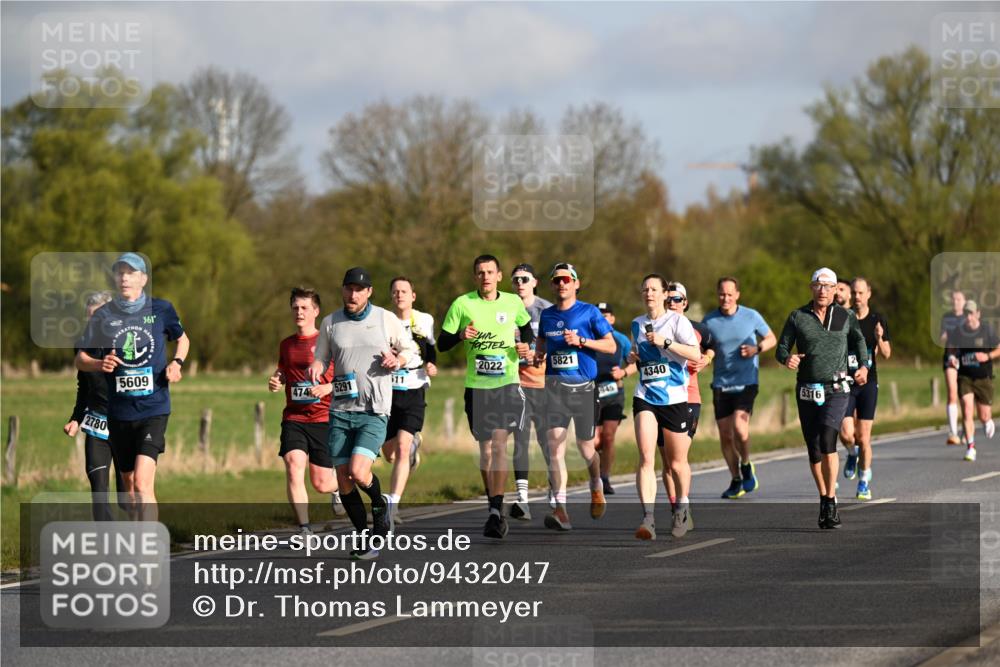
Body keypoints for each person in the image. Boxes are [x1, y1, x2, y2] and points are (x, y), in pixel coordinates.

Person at [309, 267, 417, 559]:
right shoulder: (331, 323)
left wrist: (398, 359)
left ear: (369, 292)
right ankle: (364, 537)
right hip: (341, 410)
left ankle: (380, 502)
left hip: (374, 408)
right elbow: (322, 356)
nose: (352, 294)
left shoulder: (385, 319)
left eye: (359, 289)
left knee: (358, 472)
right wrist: (317, 367)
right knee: (343, 480)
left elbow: (410, 349)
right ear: (342, 290)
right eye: (348, 288)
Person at [76, 253, 190, 521]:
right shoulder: (103, 314)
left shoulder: (161, 309)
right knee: (128, 490)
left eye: (131, 272)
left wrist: (177, 363)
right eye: (120, 273)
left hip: (154, 407)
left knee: (142, 483)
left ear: (143, 279)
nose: (124, 277)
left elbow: (183, 340)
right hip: (119, 413)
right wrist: (99, 364)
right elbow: (80, 359)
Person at [438, 255, 533, 539]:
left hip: (506, 383)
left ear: (499, 276)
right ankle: (494, 504)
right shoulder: (462, 304)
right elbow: (442, 343)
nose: (486, 277)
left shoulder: (512, 302)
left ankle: (495, 509)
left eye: (490, 272)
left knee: (500, 445)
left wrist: (524, 346)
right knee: (486, 449)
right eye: (480, 273)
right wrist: (460, 336)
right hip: (477, 386)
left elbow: (526, 328)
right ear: (474, 277)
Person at [775, 268, 869, 530]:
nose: (823, 290)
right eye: (819, 285)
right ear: (811, 288)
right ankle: (825, 497)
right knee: (814, 448)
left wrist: (863, 366)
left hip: (837, 388)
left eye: (829, 286)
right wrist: (787, 358)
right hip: (807, 389)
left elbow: (860, 342)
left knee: (829, 438)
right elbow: (781, 348)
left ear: (836, 289)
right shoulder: (798, 317)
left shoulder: (845, 316)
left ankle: (831, 502)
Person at [535, 263, 616, 531]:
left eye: (567, 280)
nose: (562, 284)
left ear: (576, 284)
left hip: (583, 389)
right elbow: (542, 342)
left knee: (585, 448)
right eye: (557, 280)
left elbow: (611, 344)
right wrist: (538, 354)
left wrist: (582, 342)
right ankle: (561, 510)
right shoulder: (546, 316)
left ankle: (596, 484)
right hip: (555, 389)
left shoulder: (589, 312)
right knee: (555, 448)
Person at [630, 274, 702, 540]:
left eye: (654, 289)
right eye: (645, 289)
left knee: (676, 463)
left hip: (674, 398)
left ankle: (682, 508)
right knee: (647, 457)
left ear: (663, 294)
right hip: (645, 395)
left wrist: (666, 342)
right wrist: (633, 357)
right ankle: (648, 518)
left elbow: (696, 354)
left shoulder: (677, 321)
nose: (649, 293)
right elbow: (640, 358)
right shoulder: (636, 323)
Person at [268, 287, 342, 535]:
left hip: (323, 418)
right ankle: (305, 530)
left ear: (316, 311)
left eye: (304, 308)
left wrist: (326, 387)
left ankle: (339, 487)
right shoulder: (286, 344)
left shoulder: (328, 342)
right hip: (294, 417)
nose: (299, 312)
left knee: (321, 483)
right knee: (293, 463)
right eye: (295, 308)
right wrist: (277, 379)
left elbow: (346, 378)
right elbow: (283, 370)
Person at [702, 276, 776, 499]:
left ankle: (746, 464)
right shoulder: (709, 321)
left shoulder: (751, 315)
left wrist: (757, 349)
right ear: (717, 295)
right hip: (721, 384)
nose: (725, 298)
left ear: (737, 295)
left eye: (730, 294)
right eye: (722, 294)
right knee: (725, 436)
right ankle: (736, 479)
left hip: (746, 382)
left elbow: (771, 338)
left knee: (740, 429)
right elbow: (703, 347)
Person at [64, 291, 125, 521]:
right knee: (99, 492)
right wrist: (76, 419)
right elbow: (84, 387)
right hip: (97, 424)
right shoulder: (82, 348)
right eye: (89, 317)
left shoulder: (126, 342)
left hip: (124, 424)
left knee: (126, 499)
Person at [381, 276, 437, 524]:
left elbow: (430, 348)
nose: (399, 295)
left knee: (402, 447)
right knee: (389, 454)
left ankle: (392, 505)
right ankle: (414, 449)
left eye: (404, 291)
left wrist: (432, 364)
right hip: (388, 392)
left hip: (414, 388)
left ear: (413, 295)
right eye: (395, 292)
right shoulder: (383, 321)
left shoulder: (424, 320)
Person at [658, 282, 714, 511]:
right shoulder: (655, 327)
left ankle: (683, 505)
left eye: (677, 299)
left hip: (689, 397)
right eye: (669, 299)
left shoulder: (699, 328)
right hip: (659, 397)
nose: (673, 303)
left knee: (677, 459)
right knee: (666, 462)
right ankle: (675, 506)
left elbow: (712, 345)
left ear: (685, 303)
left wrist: (707, 358)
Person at [508, 264, 553, 521]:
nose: (520, 283)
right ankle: (522, 500)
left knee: (548, 442)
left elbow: (556, 343)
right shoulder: (506, 309)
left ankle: (553, 491)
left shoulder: (546, 310)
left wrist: (539, 353)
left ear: (534, 281)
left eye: (525, 279)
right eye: (516, 280)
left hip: (545, 386)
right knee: (520, 442)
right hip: (519, 385)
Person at [841, 277, 891, 500]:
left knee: (864, 437)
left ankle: (863, 481)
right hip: (846, 383)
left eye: (861, 293)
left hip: (868, 383)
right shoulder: (844, 317)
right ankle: (852, 454)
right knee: (846, 434)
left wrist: (879, 338)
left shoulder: (877, 319)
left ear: (869, 293)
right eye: (854, 293)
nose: (857, 297)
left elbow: (887, 353)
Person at [946, 300, 999, 462]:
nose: (968, 317)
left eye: (971, 313)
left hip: (983, 377)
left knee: (983, 415)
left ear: (978, 314)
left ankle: (987, 421)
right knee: (968, 410)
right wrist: (952, 358)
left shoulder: (986, 331)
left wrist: (987, 356)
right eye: (966, 314)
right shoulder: (958, 331)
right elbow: (951, 349)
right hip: (965, 376)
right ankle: (970, 447)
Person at [594, 302, 632, 496]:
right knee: (594, 441)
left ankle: (605, 478)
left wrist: (623, 372)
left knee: (608, 437)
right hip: (592, 393)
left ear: (613, 319)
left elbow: (636, 363)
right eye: (599, 315)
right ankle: (596, 473)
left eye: (607, 315)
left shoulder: (620, 339)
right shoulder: (588, 338)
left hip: (613, 394)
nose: (603, 319)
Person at [941, 290, 968, 445]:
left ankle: (966, 429)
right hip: (950, 356)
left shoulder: (968, 317)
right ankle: (953, 432)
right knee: (952, 392)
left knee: (964, 396)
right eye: (954, 299)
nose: (956, 302)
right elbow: (942, 336)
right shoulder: (947, 318)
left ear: (964, 301)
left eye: (959, 299)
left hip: (965, 358)